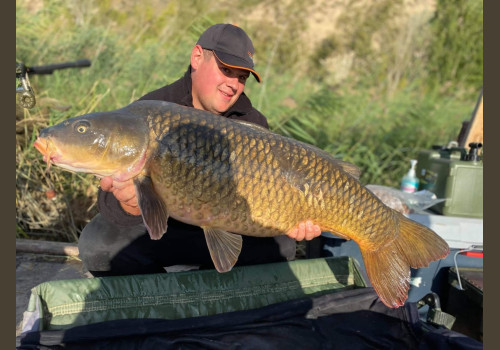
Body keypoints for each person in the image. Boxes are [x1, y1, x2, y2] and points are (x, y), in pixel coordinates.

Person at [78, 23, 321, 277]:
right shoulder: (153, 111)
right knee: (98, 246)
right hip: (166, 232)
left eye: (242, 77)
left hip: (227, 226)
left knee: (282, 246)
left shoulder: (252, 123)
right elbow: (108, 203)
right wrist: (131, 205)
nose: (233, 85)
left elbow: (272, 194)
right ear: (197, 57)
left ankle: (212, 291)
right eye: (226, 70)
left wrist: (295, 218)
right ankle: (160, 296)